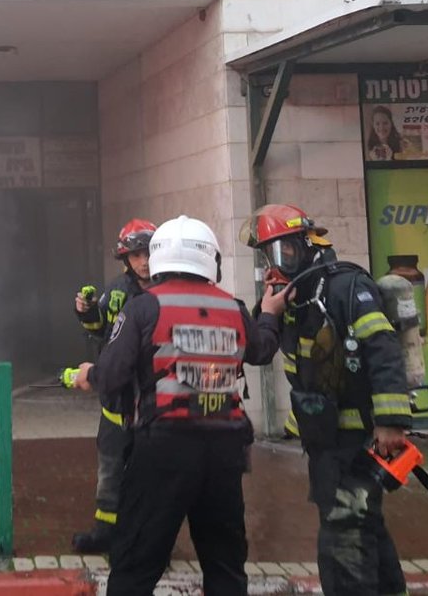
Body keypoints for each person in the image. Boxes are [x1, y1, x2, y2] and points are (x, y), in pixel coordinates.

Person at [72, 215, 283, 595]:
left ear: (158, 258)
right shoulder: (233, 308)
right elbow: (263, 350)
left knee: (135, 563)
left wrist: (91, 373)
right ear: (210, 260)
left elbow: (113, 374)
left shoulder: (143, 308)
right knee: (225, 565)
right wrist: (269, 313)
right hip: (225, 452)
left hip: (162, 448)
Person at [240, 204, 412, 596]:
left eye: (282, 251)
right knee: (363, 527)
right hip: (327, 443)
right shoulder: (298, 296)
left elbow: (382, 349)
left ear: (307, 244)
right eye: (269, 254)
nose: (276, 262)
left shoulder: (346, 287)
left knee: (343, 543)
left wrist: (390, 420)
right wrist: (269, 307)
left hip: (358, 442)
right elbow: (259, 343)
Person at [68, 218, 155, 554]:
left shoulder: (168, 289)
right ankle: (105, 533)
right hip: (117, 404)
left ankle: (148, 543)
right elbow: (98, 328)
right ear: (126, 259)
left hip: (151, 405)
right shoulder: (117, 291)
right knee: (110, 471)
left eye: (148, 253)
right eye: (136, 255)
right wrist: (87, 310)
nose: (144, 261)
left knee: (149, 479)